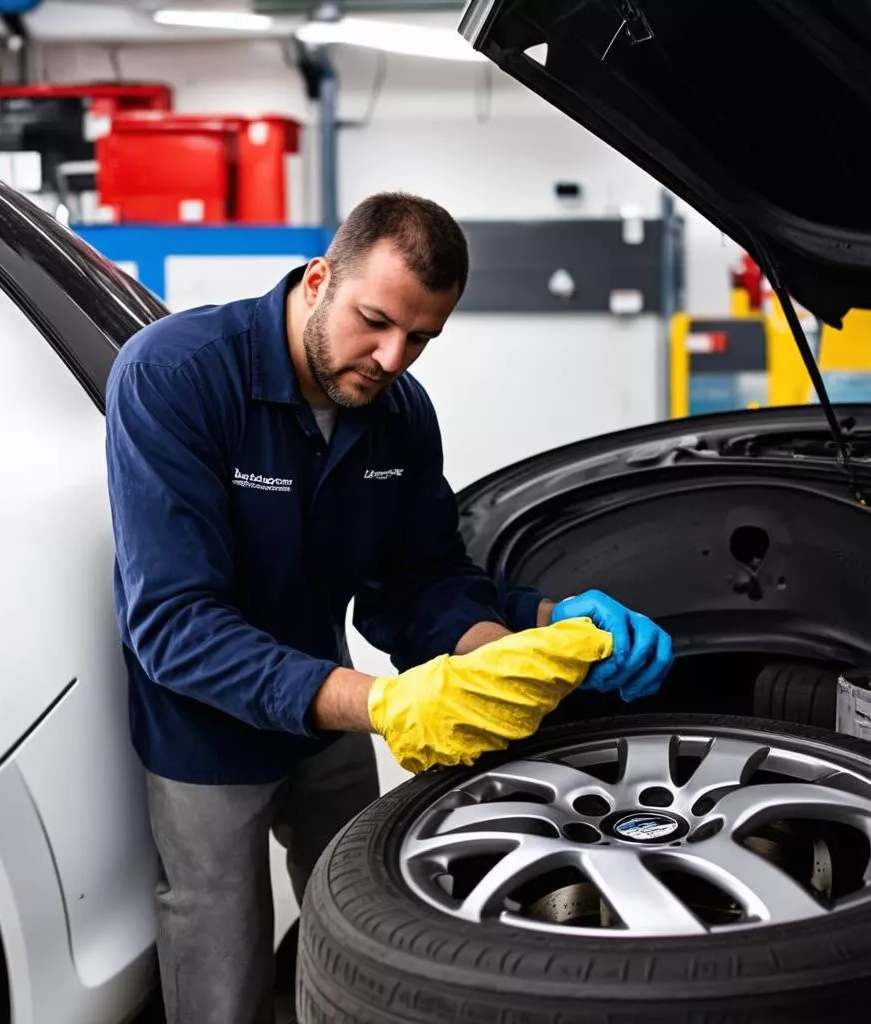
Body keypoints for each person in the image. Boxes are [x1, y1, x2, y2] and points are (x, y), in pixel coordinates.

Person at [104, 192, 674, 1023]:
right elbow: (174, 625)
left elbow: (420, 583)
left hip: (329, 715)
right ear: (319, 277)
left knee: (353, 932)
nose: (392, 358)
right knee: (220, 970)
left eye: (421, 339)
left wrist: (529, 641)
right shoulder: (177, 376)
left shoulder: (398, 416)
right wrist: (386, 703)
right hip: (203, 728)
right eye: (375, 321)